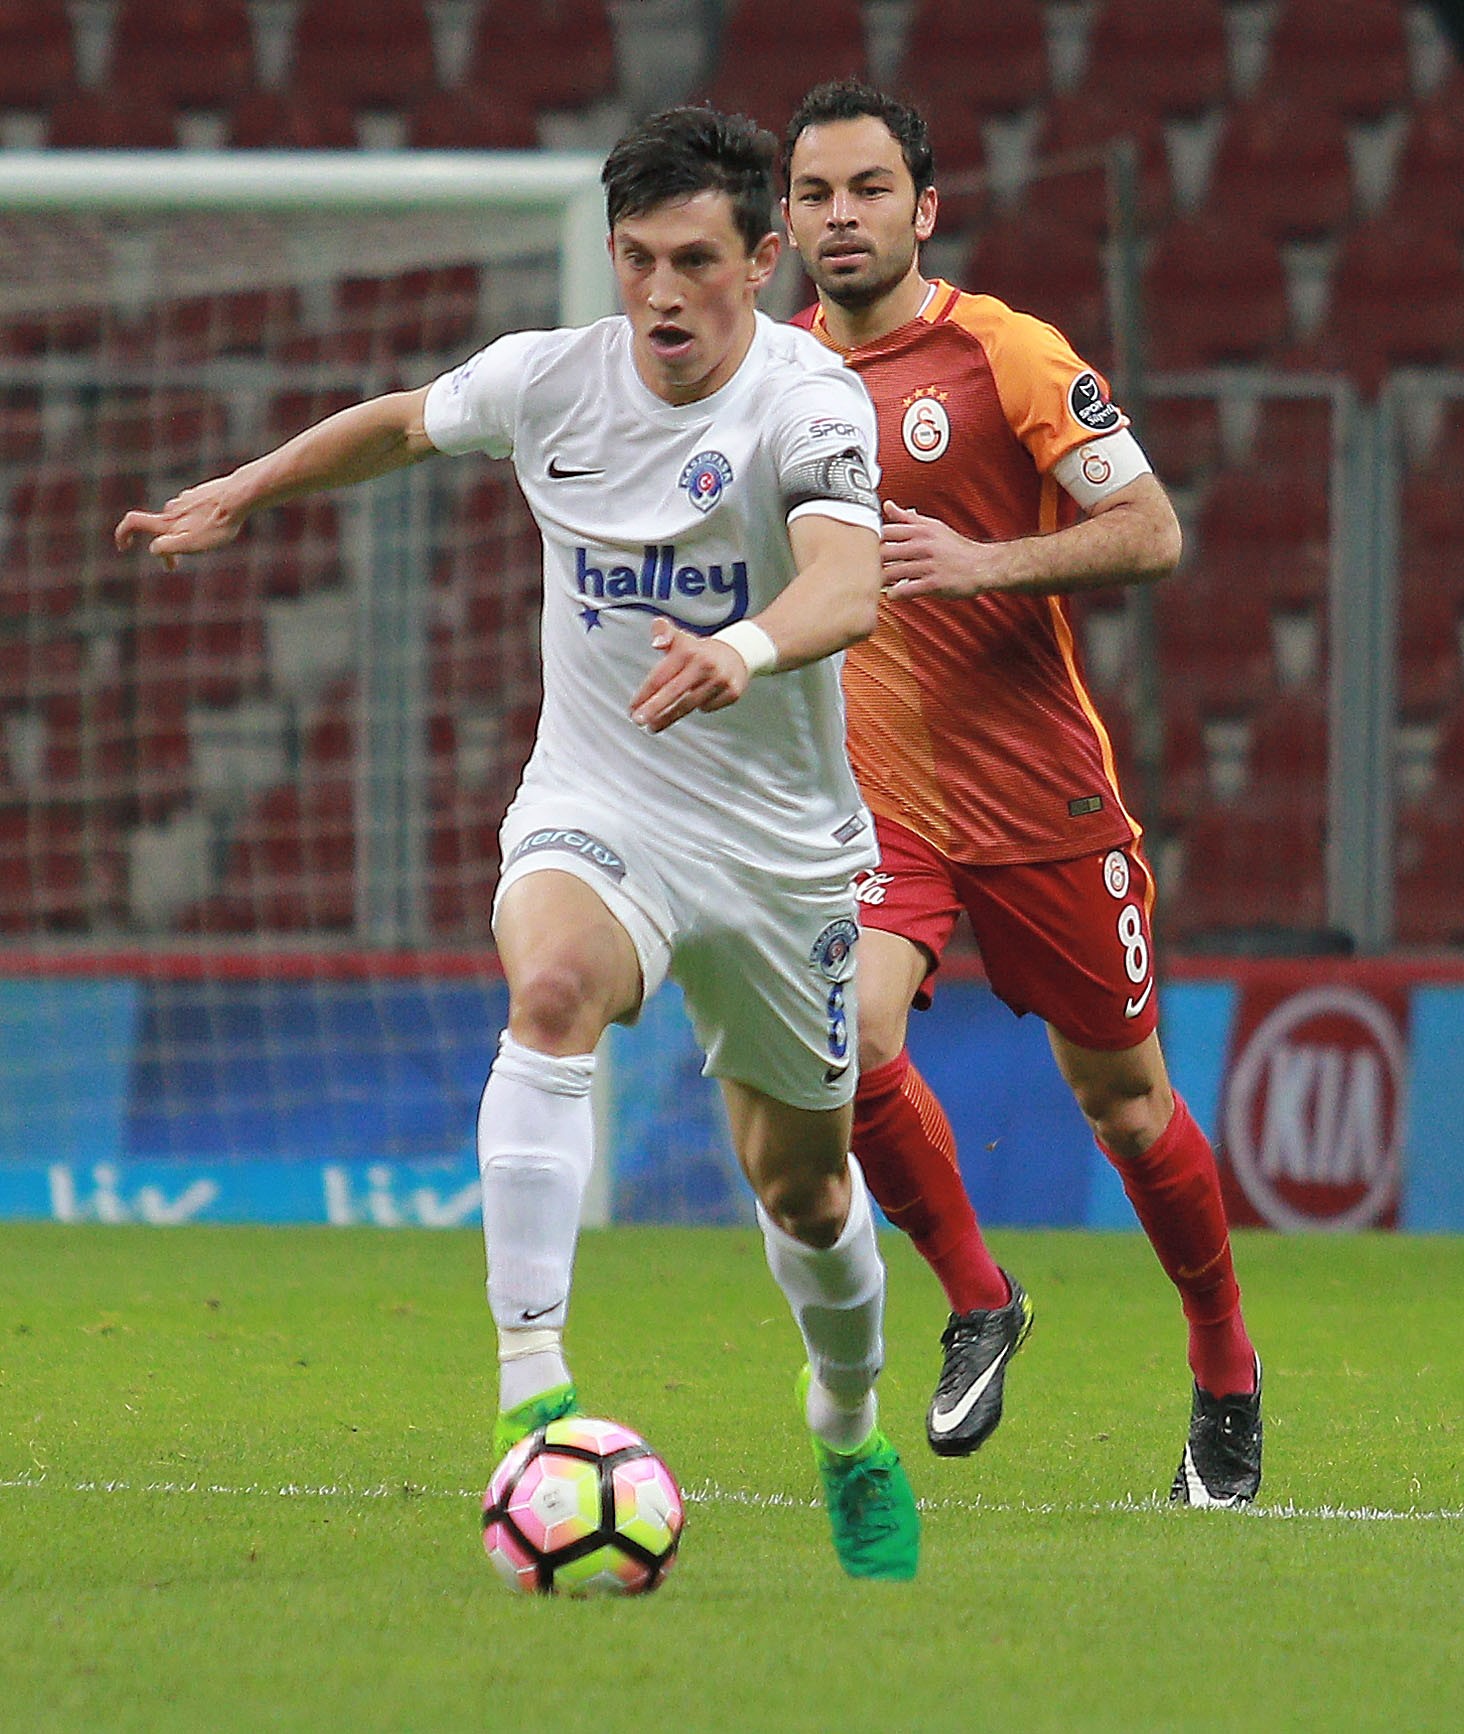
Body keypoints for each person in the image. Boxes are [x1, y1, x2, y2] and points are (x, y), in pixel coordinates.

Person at [116, 106, 921, 1579]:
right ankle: (533, 1392)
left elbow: (849, 583)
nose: (661, 293)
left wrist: (741, 648)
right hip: (600, 803)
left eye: (695, 261)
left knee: (805, 1188)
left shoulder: (808, 401)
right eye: (636, 258)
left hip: (780, 850)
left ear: (763, 260)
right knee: (548, 991)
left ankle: (849, 1423)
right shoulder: (552, 379)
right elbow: (400, 421)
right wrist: (247, 488)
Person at [780, 81, 1263, 1508]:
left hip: (1041, 798)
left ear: (924, 209)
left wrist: (980, 562)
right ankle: (980, 1299)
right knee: (845, 1042)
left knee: (1127, 1104)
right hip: (880, 806)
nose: (842, 217)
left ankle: (1225, 1365)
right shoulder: (773, 375)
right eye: (815, 194)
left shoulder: (1006, 352)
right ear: (787, 220)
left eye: (870, 189)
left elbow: (1154, 531)